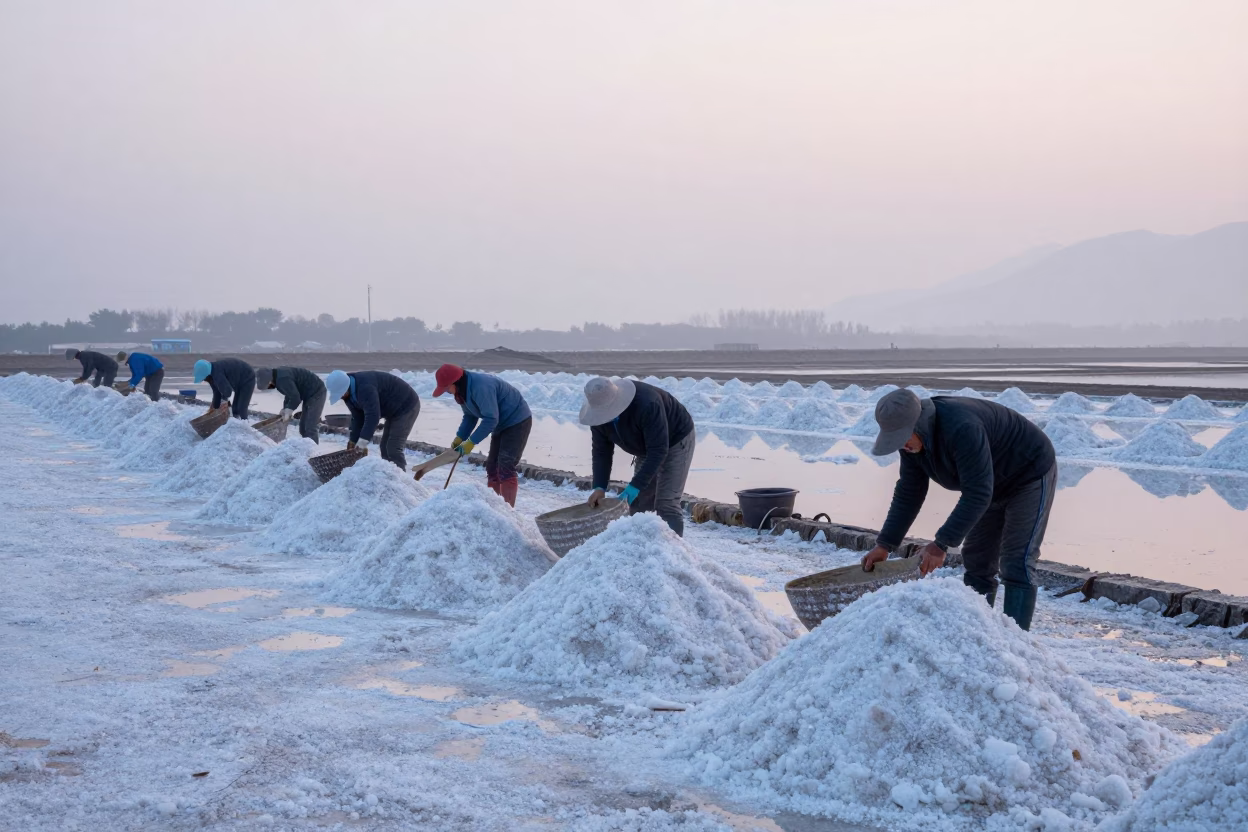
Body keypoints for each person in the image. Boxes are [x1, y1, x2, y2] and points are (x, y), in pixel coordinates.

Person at [860, 389, 1057, 631]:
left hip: (1028, 472)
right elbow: (909, 492)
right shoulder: (912, 445)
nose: (902, 446)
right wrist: (885, 544)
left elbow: (978, 493)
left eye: (903, 438)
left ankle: (1017, 644)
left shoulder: (962, 427)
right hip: (989, 482)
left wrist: (941, 543)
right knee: (977, 562)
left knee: (1016, 561)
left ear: (918, 424)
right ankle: (980, 635)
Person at [580, 376, 696, 536]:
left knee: (666, 503)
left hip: (675, 439)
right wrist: (600, 487)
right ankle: (641, 550)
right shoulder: (599, 417)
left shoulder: (647, 404)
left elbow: (658, 450)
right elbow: (601, 451)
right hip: (645, 446)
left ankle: (673, 556)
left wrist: (633, 488)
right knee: (639, 501)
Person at [432, 364, 532, 506]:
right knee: (492, 467)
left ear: (455, 382)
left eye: (447, 388)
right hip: (500, 423)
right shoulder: (462, 392)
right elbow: (470, 416)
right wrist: (460, 437)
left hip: (517, 420)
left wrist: (471, 442)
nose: (447, 392)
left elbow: (490, 419)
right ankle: (494, 508)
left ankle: (508, 511)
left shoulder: (480, 387)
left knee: (506, 465)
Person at [325, 370, 420, 470]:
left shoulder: (365, 388)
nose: (340, 397)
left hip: (406, 406)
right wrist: (353, 440)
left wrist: (362, 441)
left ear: (345, 388)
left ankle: (400, 479)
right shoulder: (348, 396)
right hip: (392, 410)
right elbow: (358, 418)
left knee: (393, 448)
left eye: (340, 393)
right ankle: (389, 475)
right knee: (384, 447)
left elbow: (373, 416)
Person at [254, 366, 327, 443]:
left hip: (317, 392)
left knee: (310, 427)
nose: (269, 386)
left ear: (268, 379)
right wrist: (285, 408)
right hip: (308, 394)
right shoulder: (278, 376)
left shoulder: (282, 379)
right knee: (303, 428)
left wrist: (289, 409)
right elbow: (289, 394)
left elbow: (295, 397)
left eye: (267, 384)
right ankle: (306, 446)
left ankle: (313, 449)